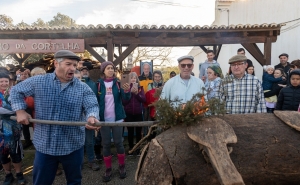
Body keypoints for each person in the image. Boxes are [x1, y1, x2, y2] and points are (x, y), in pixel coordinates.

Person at [10, 50, 100, 185]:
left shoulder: (83, 88)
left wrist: (92, 117)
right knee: (41, 182)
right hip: (45, 146)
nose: (72, 68)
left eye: (75, 65)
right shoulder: (39, 81)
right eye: (68, 64)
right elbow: (16, 91)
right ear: (56, 63)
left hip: (72, 146)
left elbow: (92, 105)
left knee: (74, 181)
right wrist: (20, 111)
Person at [97, 61, 131, 182]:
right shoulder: (99, 85)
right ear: (103, 71)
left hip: (118, 118)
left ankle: (122, 166)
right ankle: (108, 168)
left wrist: (127, 91)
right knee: (105, 144)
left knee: (119, 143)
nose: (111, 70)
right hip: (103, 120)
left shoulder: (118, 83)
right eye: (108, 68)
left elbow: (125, 100)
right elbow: (95, 102)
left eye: (112, 68)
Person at [0, 73, 26, 185]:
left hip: (14, 126)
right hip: (0, 128)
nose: (4, 83)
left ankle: (19, 174)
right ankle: (8, 174)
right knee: (2, 153)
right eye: (1, 81)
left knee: (15, 151)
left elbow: (22, 105)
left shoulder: (14, 92)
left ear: (9, 81)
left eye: (6, 81)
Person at [78, 66, 100, 171]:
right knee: (78, 142)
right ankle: (79, 162)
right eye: (82, 71)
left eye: (86, 70)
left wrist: (95, 115)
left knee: (90, 141)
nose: (85, 72)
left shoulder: (93, 84)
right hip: (77, 119)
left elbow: (94, 101)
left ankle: (91, 160)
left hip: (89, 116)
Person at [122, 72, 145, 156]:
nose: (133, 79)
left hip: (138, 113)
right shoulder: (125, 88)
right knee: (130, 132)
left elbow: (143, 99)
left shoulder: (140, 88)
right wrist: (128, 92)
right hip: (129, 113)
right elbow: (124, 102)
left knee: (139, 132)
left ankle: (138, 149)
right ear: (129, 79)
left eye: (134, 78)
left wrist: (137, 94)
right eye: (131, 78)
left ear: (136, 79)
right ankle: (131, 148)